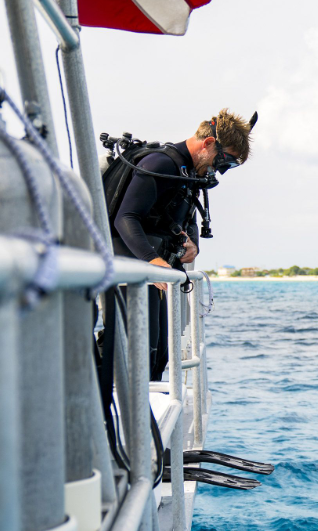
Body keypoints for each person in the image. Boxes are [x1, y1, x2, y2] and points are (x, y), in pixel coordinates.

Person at [107, 108, 254, 381]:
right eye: (225, 161)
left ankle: (143, 418)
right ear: (208, 143)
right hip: (133, 269)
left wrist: (192, 244)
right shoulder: (160, 165)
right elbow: (124, 218)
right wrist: (153, 261)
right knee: (139, 353)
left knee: (159, 355)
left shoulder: (187, 172)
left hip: (156, 272)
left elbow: (185, 217)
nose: (220, 170)